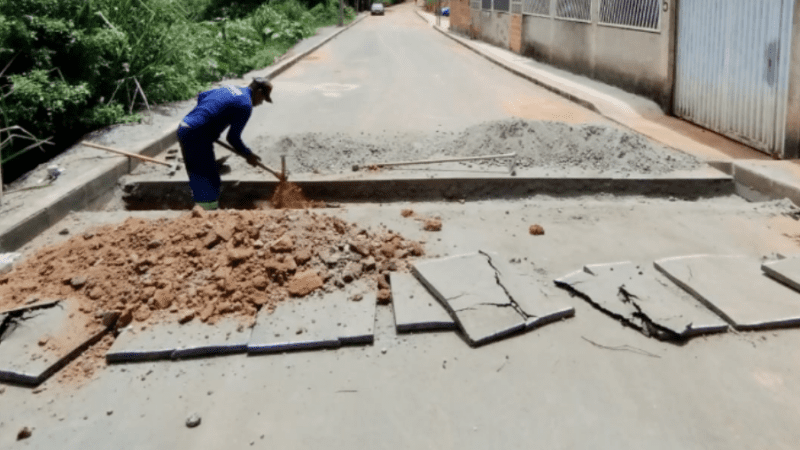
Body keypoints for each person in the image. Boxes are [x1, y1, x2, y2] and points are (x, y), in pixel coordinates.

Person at [177, 77, 273, 210]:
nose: (261, 103)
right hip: (198, 134)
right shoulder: (245, 104)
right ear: (259, 93)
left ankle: (201, 212)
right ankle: (208, 216)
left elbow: (202, 96)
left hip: (184, 127)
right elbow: (233, 138)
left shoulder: (233, 88)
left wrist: (206, 118)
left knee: (198, 174)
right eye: (263, 99)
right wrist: (248, 155)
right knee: (209, 181)